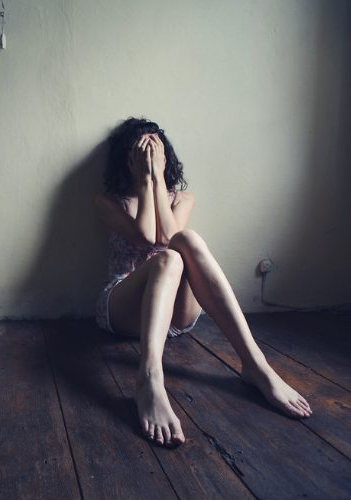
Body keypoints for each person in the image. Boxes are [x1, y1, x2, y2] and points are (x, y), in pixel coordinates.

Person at [94, 117, 312, 448]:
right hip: (124, 307)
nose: (150, 157)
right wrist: (145, 181)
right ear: (128, 158)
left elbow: (167, 235)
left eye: (156, 152)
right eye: (143, 152)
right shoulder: (109, 202)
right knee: (166, 258)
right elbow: (146, 238)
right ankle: (150, 377)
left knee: (188, 241)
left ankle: (255, 364)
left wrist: (158, 183)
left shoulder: (182, 199)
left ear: (166, 156)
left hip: (175, 315)